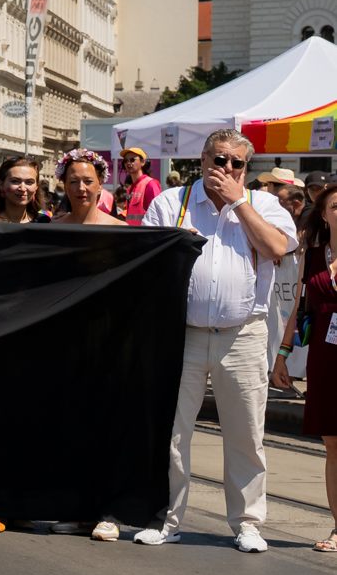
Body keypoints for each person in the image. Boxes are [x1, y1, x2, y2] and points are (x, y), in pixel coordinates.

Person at [137, 130, 298, 551]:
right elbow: (149, 260)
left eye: (236, 163)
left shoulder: (264, 205)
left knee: (246, 433)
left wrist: (238, 202)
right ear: (203, 159)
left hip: (243, 334)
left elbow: (276, 248)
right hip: (182, 334)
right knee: (172, 432)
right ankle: (165, 517)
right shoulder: (172, 202)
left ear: (246, 168)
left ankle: (247, 523)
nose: (226, 168)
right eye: (219, 159)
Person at [271, 182, 337, 553]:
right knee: (333, 445)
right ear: (324, 215)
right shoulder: (312, 257)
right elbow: (297, 308)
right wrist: (282, 354)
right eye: (336, 206)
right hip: (325, 360)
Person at [50, 151, 125, 228]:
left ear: (100, 185)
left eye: (88, 181)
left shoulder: (118, 228)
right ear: (65, 186)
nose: (81, 188)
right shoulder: (54, 227)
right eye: (74, 182)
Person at [115, 146, 163, 226]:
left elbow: (157, 214)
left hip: (145, 232)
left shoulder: (150, 184)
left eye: (132, 160)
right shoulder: (130, 188)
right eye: (126, 161)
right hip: (133, 232)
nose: (128, 163)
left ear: (143, 162)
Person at [0, 156, 49, 224]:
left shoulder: (43, 222)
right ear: (1, 185)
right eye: (15, 181)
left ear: (36, 187)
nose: (23, 189)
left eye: (29, 182)